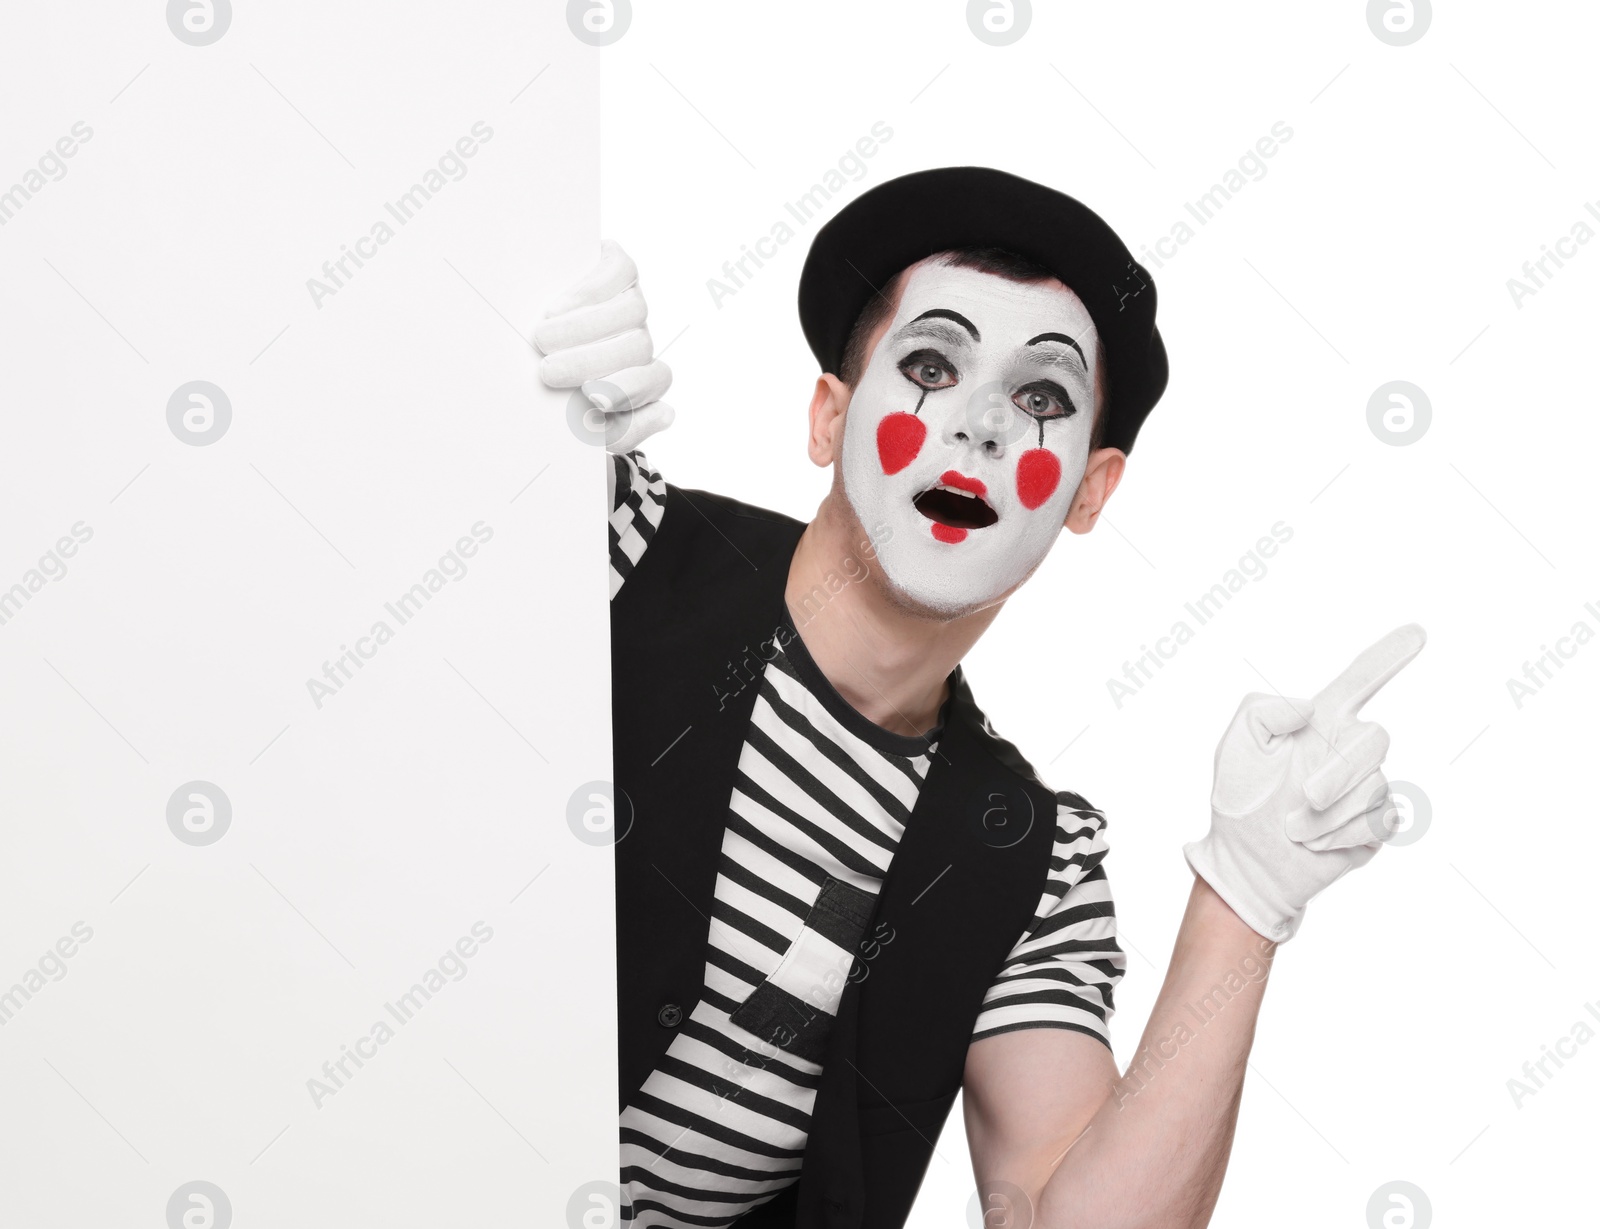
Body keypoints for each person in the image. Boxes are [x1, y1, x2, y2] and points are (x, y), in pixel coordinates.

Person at [535, 167, 1425, 1229]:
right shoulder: (613, 541)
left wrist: (1242, 898)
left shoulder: (1027, 865)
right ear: (829, 415)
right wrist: (503, 410)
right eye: (929, 363)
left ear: (1089, 492)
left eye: (1040, 395)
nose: (981, 425)